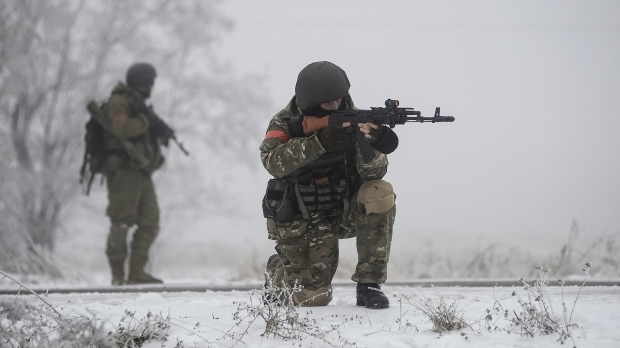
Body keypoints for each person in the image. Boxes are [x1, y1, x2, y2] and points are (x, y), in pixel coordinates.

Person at [260, 61, 399, 308]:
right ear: (310, 102)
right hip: (303, 220)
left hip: (343, 210)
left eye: (338, 100)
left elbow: (375, 173)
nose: (336, 106)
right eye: (327, 104)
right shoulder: (284, 121)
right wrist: (320, 142)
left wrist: (372, 142)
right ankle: (277, 271)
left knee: (380, 192)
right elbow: (272, 161)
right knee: (314, 298)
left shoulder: (355, 118)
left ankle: (369, 284)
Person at [103, 62, 167, 285]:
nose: (152, 87)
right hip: (123, 170)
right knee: (122, 221)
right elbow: (120, 129)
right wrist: (145, 121)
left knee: (151, 220)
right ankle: (118, 276)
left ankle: (137, 272)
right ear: (142, 82)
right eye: (150, 82)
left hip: (141, 171)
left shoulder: (139, 105)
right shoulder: (120, 102)